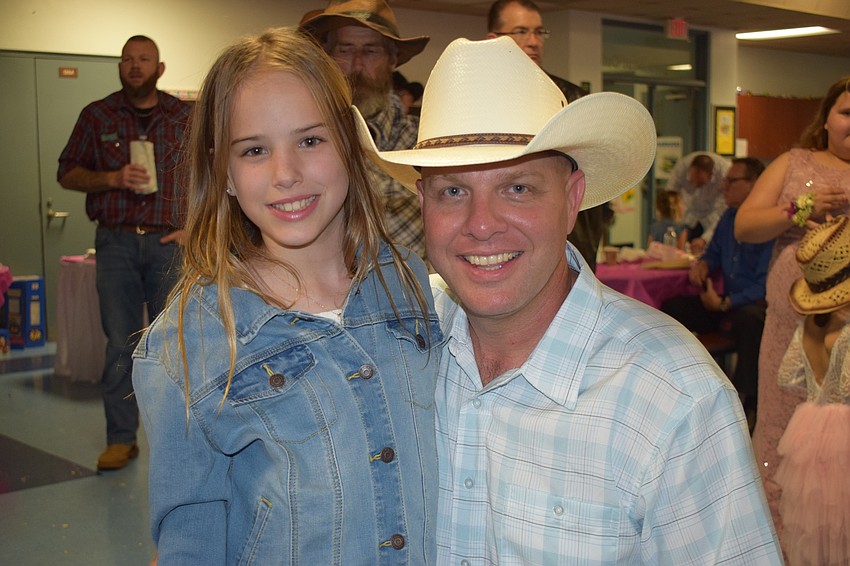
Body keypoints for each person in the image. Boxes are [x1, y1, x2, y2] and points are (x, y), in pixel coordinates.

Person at [357, 36, 781, 564]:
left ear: (573, 199)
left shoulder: (673, 396)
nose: (481, 225)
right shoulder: (402, 354)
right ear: (422, 204)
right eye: (453, 191)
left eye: (518, 188)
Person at [131, 27, 441, 563]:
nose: (286, 174)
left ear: (349, 145)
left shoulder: (411, 285)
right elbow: (191, 539)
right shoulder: (189, 344)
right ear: (225, 173)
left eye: (310, 141)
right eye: (254, 150)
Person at [57, 35, 190, 471]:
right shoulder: (97, 115)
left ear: (160, 68)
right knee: (120, 343)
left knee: (175, 342)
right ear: (119, 67)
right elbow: (67, 173)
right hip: (115, 243)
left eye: (144, 59)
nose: (135, 66)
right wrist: (111, 178)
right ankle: (121, 439)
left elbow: (211, 172)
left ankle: (179, 438)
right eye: (128, 59)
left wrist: (194, 226)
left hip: (169, 242)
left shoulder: (184, 116)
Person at [734, 75, 850, 543]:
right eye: (847, 113)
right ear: (826, 119)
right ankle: (778, 538)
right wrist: (800, 209)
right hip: (790, 322)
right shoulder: (795, 162)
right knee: (783, 418)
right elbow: (745, 226)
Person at [300, 0, 430, 263]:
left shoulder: (424, 146)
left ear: (393, 59)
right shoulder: (299, 142)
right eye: (345, 50)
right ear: (326, 56)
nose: (357, 64)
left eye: (370, 51)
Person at [486, 0, 608, 271]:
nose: (533, 42)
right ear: (493, 39)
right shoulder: (475, 102)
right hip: (495, 245)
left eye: (539, 32)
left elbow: (594, 181)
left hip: (568, 250)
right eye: (521, 32)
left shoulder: (569, 100)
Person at [661, 157, 773, 427]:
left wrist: (725, 302)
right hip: (724, 302)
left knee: (749, 319)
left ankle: (746, 401)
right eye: (725, 180)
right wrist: (704, 265)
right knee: (671, 308)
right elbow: (713, 253)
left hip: (752, 306)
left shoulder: (767, 223)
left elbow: (764, 286)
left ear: (754, 185)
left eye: (732, 181)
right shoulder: (728, 217)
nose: (724, 187)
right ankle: (680, 383)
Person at [775, 215, 850, 566]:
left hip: (811, 430)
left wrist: (820, 389)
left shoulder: (808, 325)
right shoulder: (846, 331)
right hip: (844, 435)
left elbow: (787, 377)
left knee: (821, 525)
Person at [666, 151, 731, 254]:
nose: (696, 186)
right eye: (692, 182)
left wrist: (704, 239)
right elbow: (670, 197)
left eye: (701, 183)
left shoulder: (726, 174)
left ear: (711, 175)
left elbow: (722, 213)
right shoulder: (681, 168)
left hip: (712, 216)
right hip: (688, 215)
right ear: (691, 170)